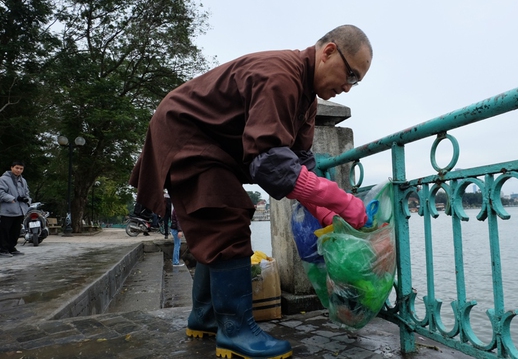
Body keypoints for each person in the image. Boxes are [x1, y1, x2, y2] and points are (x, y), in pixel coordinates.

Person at [129, 25, 372, 359]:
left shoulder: (305, 99)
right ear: (329, 51)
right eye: (351, 75)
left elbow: (299, 163)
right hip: (186, 133)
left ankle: (205, 316)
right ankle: (236, 331)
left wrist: (328, 213)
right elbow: (270, 164)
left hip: (215, 147)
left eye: (355, 81)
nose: (348, 87)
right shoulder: (280, 76)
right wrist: (342, 200)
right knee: (225, 218)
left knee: (217, 224)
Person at [0, 161, 31, 257]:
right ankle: (2, 249)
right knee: (4, 231)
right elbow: (1, 192)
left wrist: (27, 200)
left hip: (20, 210)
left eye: (21, 169)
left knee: (15, 231)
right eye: (17, 168)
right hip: (7, 211)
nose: (18, 170)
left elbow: (27, 192)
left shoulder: (23, 181)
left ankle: (11, 247)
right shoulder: (3, 179)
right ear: (12, 167)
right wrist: (12, 198)